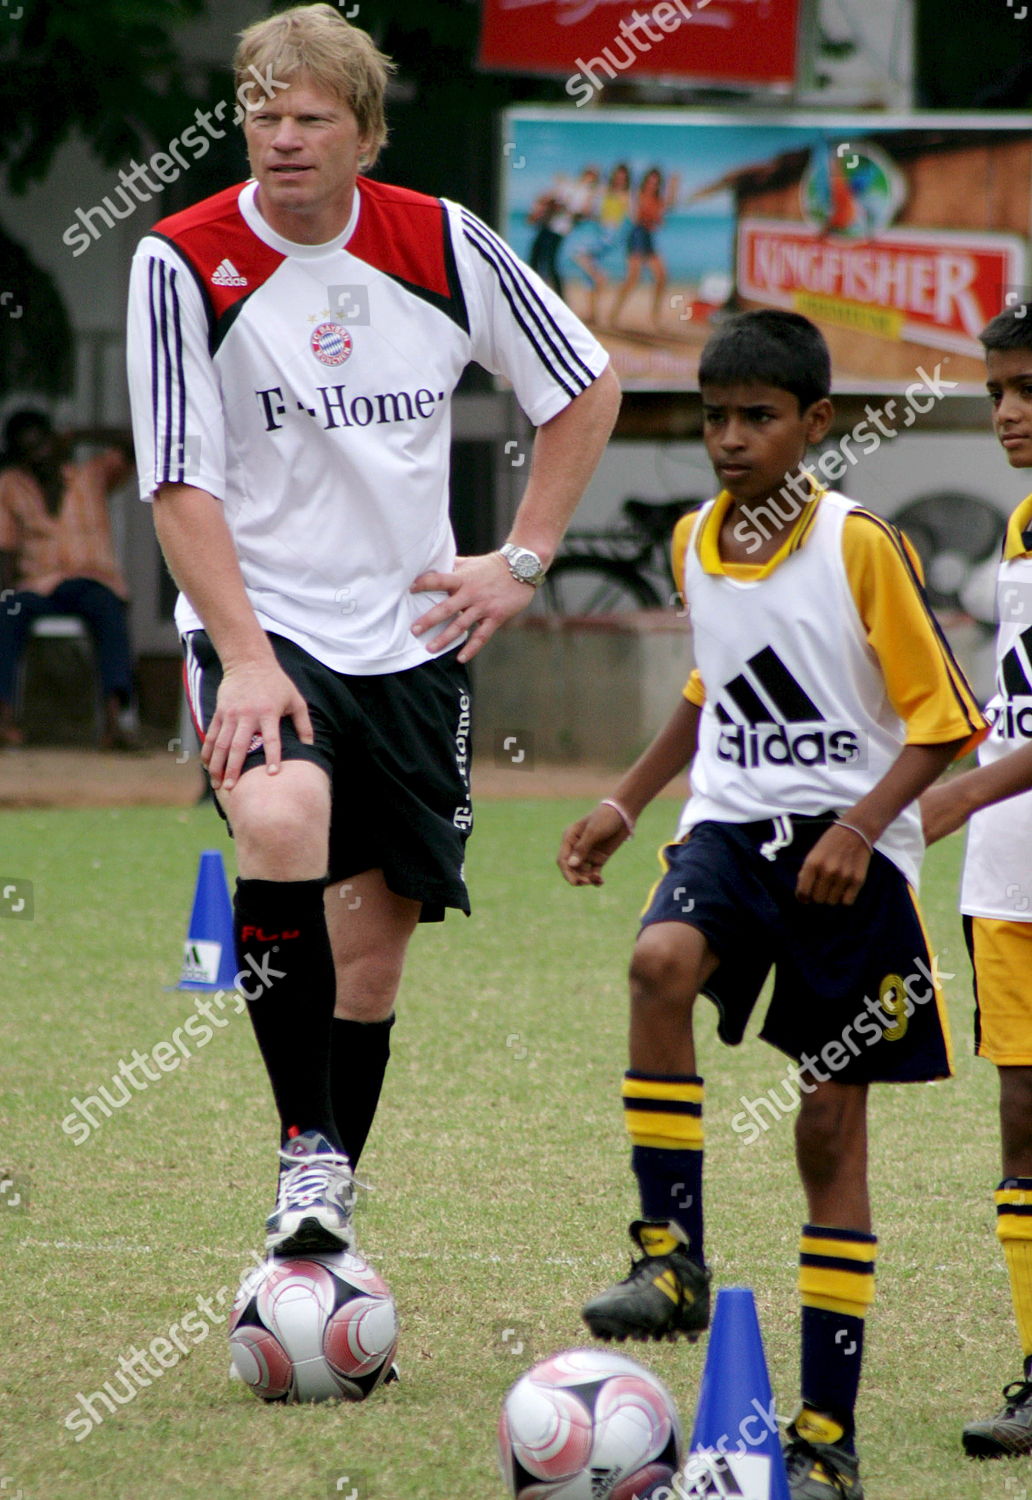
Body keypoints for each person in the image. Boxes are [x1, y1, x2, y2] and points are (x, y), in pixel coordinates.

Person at [125, 5, 619, 1268]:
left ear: (363, 133)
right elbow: (177, 482)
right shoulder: (180, 261)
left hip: (412, 645)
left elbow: (584, 385)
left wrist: (521, 558)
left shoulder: (441, 240)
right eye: (261, 114)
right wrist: (242, 655)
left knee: (375, 964)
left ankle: (327, 1199)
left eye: (309, 119)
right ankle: (304, 1150)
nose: (280, 140)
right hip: (265, 628)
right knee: (283, 822)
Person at [557, 309, 985, 1499]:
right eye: (714, 417)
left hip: (846, 858)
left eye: (758, 417)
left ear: (815, 424)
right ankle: (672, 1258)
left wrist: (860, 827)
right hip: (732, 833)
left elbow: (947, 719)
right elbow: (711, 690)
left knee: (825, 1134)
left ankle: (825, 1436)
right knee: (657, 963)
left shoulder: (861, 546)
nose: (731, 439)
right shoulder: (695, 540)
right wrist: (627, 802)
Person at [921, 305, 1032, 1459]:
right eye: (998, 388)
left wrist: (961, 793)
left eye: (1030, 389)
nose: (1007, 411)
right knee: (1022, 1116)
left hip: (992, 829)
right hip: (1009, 881)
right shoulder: (1019, 528)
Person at [0, 409, 137, 750]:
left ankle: (114, 722)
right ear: (18, 454)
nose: (39, 454)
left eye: (43, 444)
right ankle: (3, 721)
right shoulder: (10, 486)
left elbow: (138, 443)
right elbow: (5, 549)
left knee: (109, 610)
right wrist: (4, 594)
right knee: (6, 613)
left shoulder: (91, 475)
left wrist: (79, 432)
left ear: (56, 441)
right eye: (28, 449)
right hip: (36, 587)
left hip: (92, 582)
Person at [609, 166, 679, 332]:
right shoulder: (637, 196)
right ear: (645, 182)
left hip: (648, 237)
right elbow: (635, 216)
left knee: (662, 277)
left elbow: (667, 208)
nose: (652, 185)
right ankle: (614, 315)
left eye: (655, 183)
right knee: (633, 278)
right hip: (636, 236)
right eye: (650, 182)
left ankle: (655, 317)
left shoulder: (657, 199)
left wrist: (673, 188)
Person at [571, 163, 631, 325]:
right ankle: (592, 314)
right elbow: (593, 210)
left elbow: (626, 218)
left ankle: (600, 276)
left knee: (578, 254)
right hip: (601, 231)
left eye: (623, 177)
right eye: (617, 176)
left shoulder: (625, 195)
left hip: (610, 235)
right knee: (588, 274)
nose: (619, 180)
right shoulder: (605, 192)